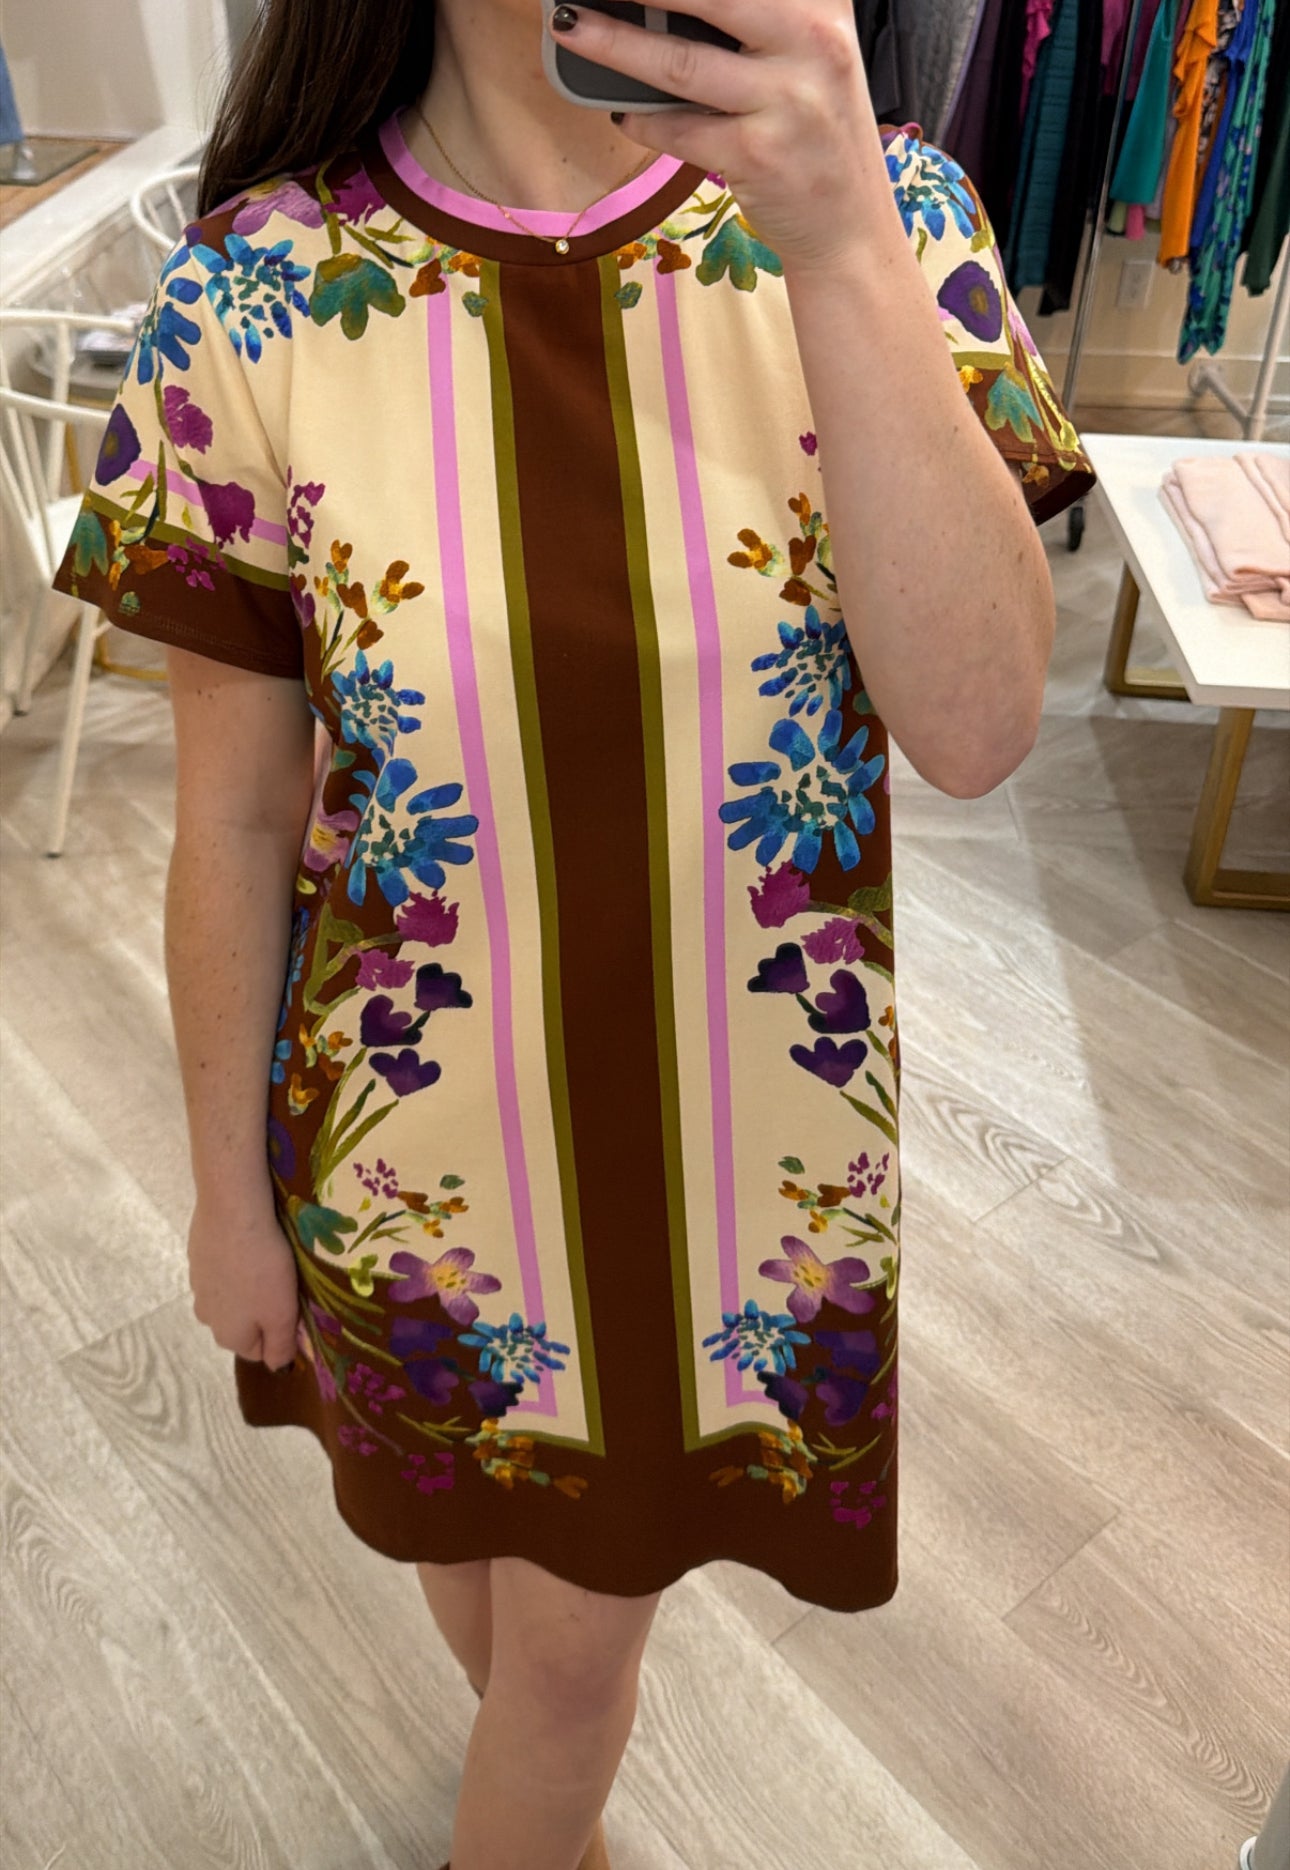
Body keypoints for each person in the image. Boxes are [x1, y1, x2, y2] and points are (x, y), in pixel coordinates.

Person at [51, 2, 1095, 1866]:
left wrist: (842, 245)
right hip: (413, 1178)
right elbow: (234, 814)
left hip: (736, 1188)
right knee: (475, 1567)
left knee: (555, 1674)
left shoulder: (887, 219)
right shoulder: (258, 295)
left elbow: (977, 725)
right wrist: (225, 1191)